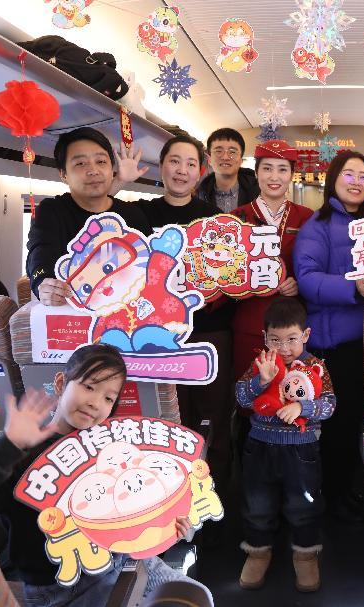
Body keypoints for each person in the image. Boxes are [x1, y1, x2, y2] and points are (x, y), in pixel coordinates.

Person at [0, 344, 210, 606]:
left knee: (197, 597)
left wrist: (169, 524)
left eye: (108, 398)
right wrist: (7, 445)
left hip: (124, 560)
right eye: (89, 387)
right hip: (61, 588)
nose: (95, 403)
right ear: (60, 383)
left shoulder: (111, 449)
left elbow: (135, 508)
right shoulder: (23, 453)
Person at [116, 133, 237, 497]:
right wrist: (120, 181)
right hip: (156, 335)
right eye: (174, 161)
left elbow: (231, 281)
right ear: (161, 167)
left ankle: (216, 494)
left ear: (200, 172)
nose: (182, 170)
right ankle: (173, 494)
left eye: (190, 164)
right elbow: (105, 230)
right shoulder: (139, 214)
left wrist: (207, 295)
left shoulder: (216, 220)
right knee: (169, 417)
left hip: (208, 332)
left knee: (215, 415)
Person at [294, 150, 364, 519]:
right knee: (337, 428)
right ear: (334, 179)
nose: (357, 182)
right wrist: (352, 287)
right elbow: (307, 279)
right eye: (349, 174)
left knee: (363, 421)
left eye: (363, 176)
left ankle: (354, 492)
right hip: (335, 345)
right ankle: (333, 502)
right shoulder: (319, 224)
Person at [234, 297, 335, 593]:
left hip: (301, 450)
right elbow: (241, 398)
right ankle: (258, 552)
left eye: (292, 339)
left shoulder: (315, 366)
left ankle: (305, 555)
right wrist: (261, 382)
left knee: (304, 504)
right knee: (257, 503)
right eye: (275, 340)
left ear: (305, 335)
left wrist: (303, 407)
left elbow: (330, 404)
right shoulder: (261, 364)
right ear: (265, 337)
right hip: (260, 447)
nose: (284, 347)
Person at [230, 141, 314, 452]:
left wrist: (299, 284)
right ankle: (248, 467)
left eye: (282, 169)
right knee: (249, 399)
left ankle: (294, 459)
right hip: (250, 325)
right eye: (267, 168)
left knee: (294, 394)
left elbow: (315, 265)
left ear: (292, 174)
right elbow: (226, 273)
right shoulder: (236, 218)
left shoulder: (307, 218)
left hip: (291, 330)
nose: (274, 176)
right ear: (256, 173)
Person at [26, 127, 151, 306]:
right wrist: (42, 282)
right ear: (63, 174)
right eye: (80, 164)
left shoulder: (132, 215)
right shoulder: (51, 211)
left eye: (101, 161)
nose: (93, 170)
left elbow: (150, 265)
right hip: (71, 312)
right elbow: (39, 254)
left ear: (112, 169)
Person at [196, 128, 260, 213]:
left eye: (232, 152)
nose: (225, 157)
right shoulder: (199, 196)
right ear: (209, 159)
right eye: (219, 151)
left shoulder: (259, 195)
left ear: (241, 160)